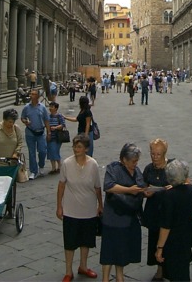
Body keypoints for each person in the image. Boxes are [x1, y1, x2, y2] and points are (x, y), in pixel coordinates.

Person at [57, 134, 103, 282]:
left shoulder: (93, 164)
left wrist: (100, 205)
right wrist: (59, 206)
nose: (76, 149)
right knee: (69, 242)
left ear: (86, 149)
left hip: (88, 209)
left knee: (86, 240)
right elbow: (61, 185)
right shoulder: (66, 163)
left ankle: (83, 266)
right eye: (74, 146)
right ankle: (68, 271)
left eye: (79, 147)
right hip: (71, 209)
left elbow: (97, 187)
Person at [100, 143, 145, 282]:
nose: (135, 163)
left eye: (137, 160)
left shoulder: (136, 171)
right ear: (124, 159)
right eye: (133, 161)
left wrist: (145, 192)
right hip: (113, 217)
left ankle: (120, 276)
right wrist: (129, 190)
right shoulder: (113, 168)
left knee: (121, 250)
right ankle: (105, 279)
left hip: (129, 217)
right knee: (109, 250)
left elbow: (140, 187)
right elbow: (108, 186)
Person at [154, 159, 192, 282]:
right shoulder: (191, 190)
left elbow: (166, 226)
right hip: (185, 238)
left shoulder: (169, 196)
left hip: (172, 242)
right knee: (183, 273)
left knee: (174, 274)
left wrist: (159, 248)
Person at [142, 139, 173, 282]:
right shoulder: (149, 168)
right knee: (155, 239)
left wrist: (171, 188)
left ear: (164, 154)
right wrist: (146, 192)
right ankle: (159, 269)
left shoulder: (172, 167)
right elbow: (143, 185)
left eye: (158, 154)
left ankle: (169, 269)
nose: (154, 157)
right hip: (154, 210)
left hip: (168, 210)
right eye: (152, 154)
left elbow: (184, 183)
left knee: (169, 241)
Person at [0, 108, 23, 215]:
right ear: (4, 120)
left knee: (10, 187)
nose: (11, 124)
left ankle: (9, 207)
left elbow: (20, 143)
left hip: (11, 164)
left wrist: (16, 153)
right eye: (9, 122)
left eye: (13, 122)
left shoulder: (16, 129)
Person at [21, 89, 51, 180]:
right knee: (31, 152)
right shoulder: (26, 107)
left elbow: (46, 120)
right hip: (30, 132)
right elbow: (22, 118)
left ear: (38, 96)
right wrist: (25, 121)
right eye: (31, 94)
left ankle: (41, 165)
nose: (31, 95)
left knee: (42, 151)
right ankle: (33, 171)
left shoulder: (42, 107)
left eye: (34, 94)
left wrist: (49, 132)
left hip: (41, 132)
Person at [48, 102, 66, 174]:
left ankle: (59, 166)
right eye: (50, 106)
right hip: (50, 136)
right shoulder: (48, 116)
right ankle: (53, 167)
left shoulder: (59, 116)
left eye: (52, 107)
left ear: (56, 108)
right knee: (50, 152)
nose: (50, 108)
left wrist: (55, 127)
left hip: (57, 136)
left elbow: (63, 124)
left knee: (55, 151)